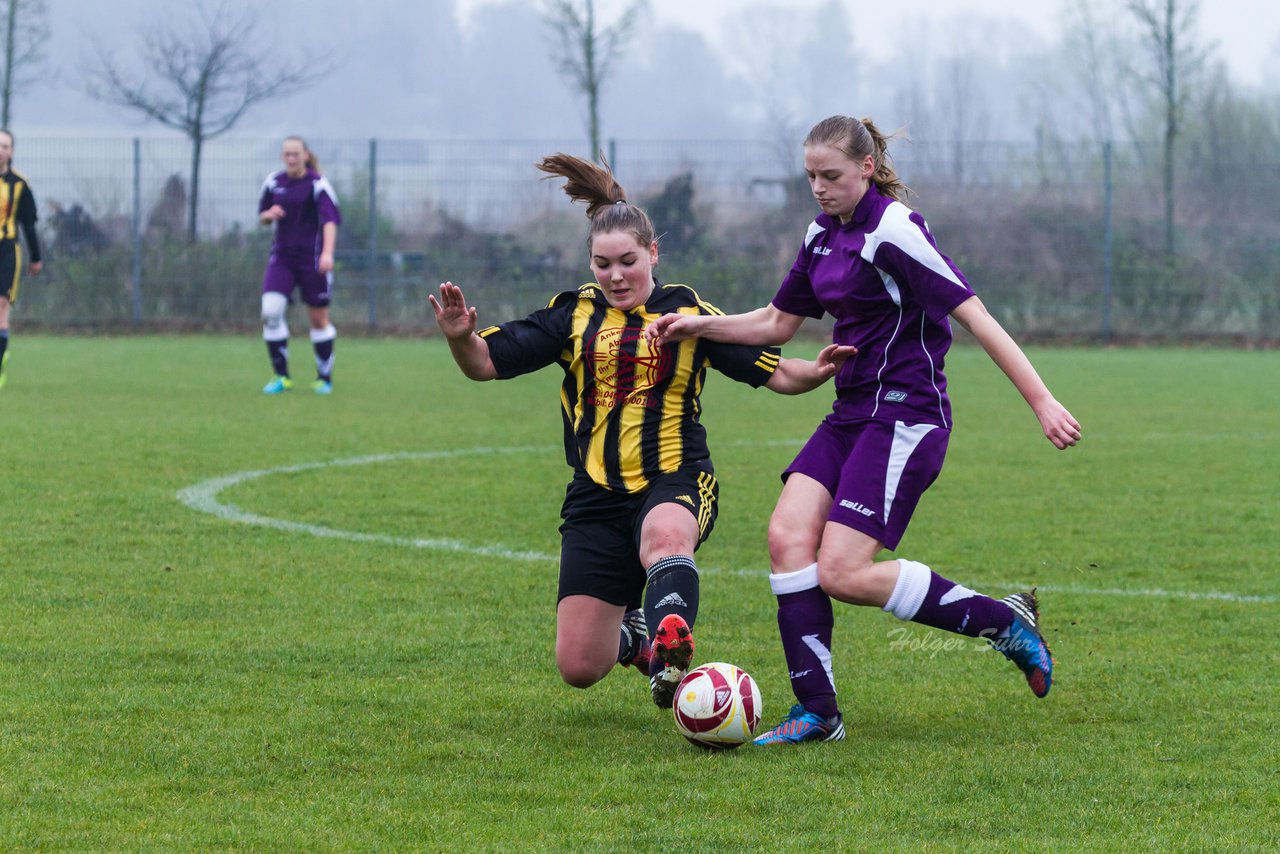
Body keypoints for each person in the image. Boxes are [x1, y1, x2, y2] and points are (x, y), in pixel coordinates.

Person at [646, 115, 1082, 745]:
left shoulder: (895, 230)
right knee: (785, 537)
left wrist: (1041, 400)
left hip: (906, 415)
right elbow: (774, 323)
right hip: (851, 412)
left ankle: (1002, 622)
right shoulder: (821, 235)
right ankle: (818, 713)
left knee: (843, 572)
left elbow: (975, 316)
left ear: (867, 170)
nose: (819, 189)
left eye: (831, 176)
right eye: (810, 177)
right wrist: (696, 324)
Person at [429, 152, 856, 709]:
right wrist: (461, 336)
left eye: (627, 261)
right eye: (602, 264)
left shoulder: (687, 314)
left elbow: (775, 372)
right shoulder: (572, 316)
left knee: (665, 540)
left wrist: (818, 371)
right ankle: (635, 635)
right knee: (579, 667)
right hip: (595, 495)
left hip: (675, 477)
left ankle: (671, 649)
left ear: (652, 253)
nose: (615, 275)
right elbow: (484, 363)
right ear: (590, 264)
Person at [257, 136, 341, 395]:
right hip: (281, 259)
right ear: (282, 157)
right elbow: (262, 216)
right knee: (270, 312)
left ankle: (323, 378)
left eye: (296, 154)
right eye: (287, 154)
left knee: (318, 319)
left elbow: (330, 221)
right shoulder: (274, 182)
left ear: (305, 155)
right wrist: (268, 216)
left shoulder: (317, 184)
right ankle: (281, 376)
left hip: (312, 260)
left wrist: (327, 253)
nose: (291, 158)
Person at [0, 129, 43, 390]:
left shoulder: (20, 185)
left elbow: (29, 224)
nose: (0, 150)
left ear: (12, 151)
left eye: (5, 146)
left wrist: (36, 258)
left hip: (7, 250)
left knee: (1, 305)